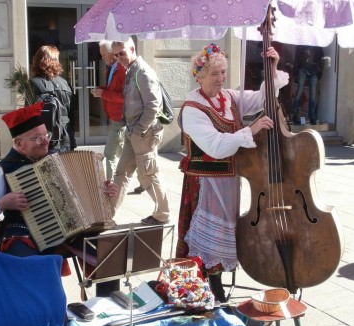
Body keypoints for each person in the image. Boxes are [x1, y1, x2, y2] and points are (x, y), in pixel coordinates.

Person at [177, 43, 288, 302]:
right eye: (214, 74)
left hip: (229, 180)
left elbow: (263, 98)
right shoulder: (193, 109)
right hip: (205, 183)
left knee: (226, 230)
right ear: (199, 76)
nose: (220, 79)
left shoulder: (228, 97)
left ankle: (215, 283)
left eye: (223, 72)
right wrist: (251, 130)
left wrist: (272, 68)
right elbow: (215, 146)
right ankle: (209, 287)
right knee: (209, 235)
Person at [0, 102, 119, 295]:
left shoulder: (57, 160)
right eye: (37, 138)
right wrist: (1, 203)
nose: (45, 141)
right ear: (19, 144)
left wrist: (103, 191)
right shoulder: (2, 170)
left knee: (111, 258)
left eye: (46, 135)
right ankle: (47, 317)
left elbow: (83, 192)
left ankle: (107, 308)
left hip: (71, 230)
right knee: (33, 270)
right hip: (24, 233)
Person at [111, 38, 170, 226]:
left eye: (122, 53)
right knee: (121, 173)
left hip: (142, 133)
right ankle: (106, 216)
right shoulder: (132, 70)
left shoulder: (143, 72)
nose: (119, 57)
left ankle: (162, 213)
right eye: (116, 54)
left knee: (148, 175)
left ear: (132, 49)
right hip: (134, 132)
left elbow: (153, 106)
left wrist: (138, 130)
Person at [91, 40, 125, 180]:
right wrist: (102, 90)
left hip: (121, 117)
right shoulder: (111, 67)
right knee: (125, 153)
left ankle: (111, 184)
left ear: (113, 53)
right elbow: (114, 90)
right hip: (115, 117)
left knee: (110, 153)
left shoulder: (121, 69)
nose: (102, 57)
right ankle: (143, 179)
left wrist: (103, 94)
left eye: (104, 54)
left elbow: (124, 97)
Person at [30, 45, 75, 151]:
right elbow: (71, 115)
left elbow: (30, 117)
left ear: (37, 61)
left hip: (43, 140)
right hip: (65, 138)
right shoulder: (65, 84)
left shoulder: (34, 83)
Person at [292, 46, 324, 125]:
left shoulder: (317, 42)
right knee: (299, 92)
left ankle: (312, 117)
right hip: (302, 68)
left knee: (312, 95)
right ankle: (295, 115)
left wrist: (320, 70)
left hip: (313, 69)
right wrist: (296, 70)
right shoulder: (303, 40)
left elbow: (321, 56)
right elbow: (297, 56)